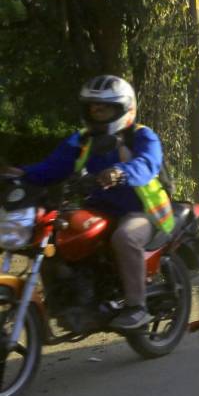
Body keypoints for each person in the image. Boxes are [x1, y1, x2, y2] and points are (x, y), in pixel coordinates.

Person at [1, 76, 174, 330]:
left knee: (124, 238)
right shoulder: (82, 141)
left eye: (104, 107)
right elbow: (51, 168)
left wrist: (119, 172)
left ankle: (137, 306)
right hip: (99, 209)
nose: (97, 112)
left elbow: (147, 164)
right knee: (55, 238)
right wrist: (18, 173)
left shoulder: (142, 136)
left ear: (123, 108)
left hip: (141, 211)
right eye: (93, 107)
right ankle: (71, 299)